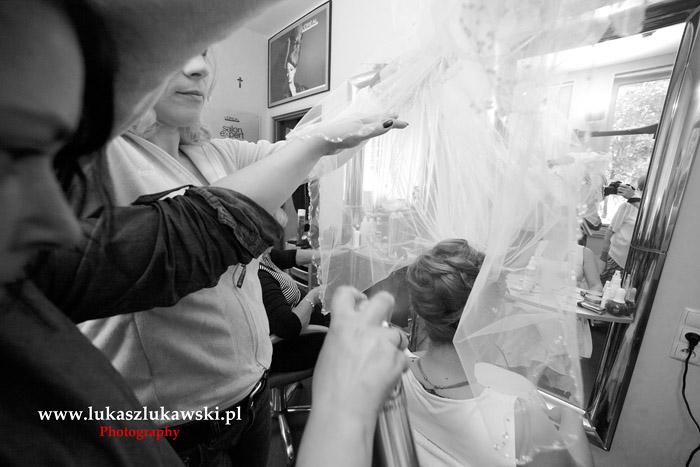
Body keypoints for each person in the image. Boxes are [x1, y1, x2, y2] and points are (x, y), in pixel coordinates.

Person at [2, 0, 409, 465]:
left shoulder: (216, 153)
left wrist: (375, 103)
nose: (198, 68)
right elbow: (202, 225)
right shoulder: (103, 158)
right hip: (177, 420)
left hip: (250, 389)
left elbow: (308, 157)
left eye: (204, 54)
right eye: (178, 55)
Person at [402, 239, 592, 467]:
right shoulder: (517, 414)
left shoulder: (392, 373)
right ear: (488, 313)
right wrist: (572, 415)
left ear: (423, 309)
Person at [260, 246, 329, 372]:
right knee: (344, 336)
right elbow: (289, 326)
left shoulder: (262, 257)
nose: (271, 247)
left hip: (307, 326)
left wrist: (326, 254)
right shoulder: (258, 275)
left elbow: (289, 256)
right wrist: (314, 296)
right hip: (285, 346)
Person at [600, 175, 646, 283]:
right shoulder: (627, 206)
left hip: (637, 265)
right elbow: (610, 230)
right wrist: (603, 256)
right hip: (616, 259)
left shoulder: (652, 211)